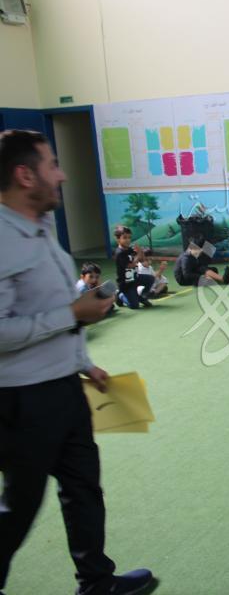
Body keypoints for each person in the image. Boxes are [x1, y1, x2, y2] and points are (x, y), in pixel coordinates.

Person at [0, 130, 153, 594]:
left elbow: (52, 303)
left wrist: (84, 362)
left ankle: (96, 582)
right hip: (20, 399)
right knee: (19, 506)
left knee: (84, 488)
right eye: (52, 164)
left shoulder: (41, 223)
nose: (63, 174)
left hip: (65, 386)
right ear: (25, 175)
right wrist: (72, 314)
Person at [113, 226, 154, 309]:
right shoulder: (119, 253)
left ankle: (142, 297)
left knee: (150, 279)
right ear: (118, 239)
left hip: (135, 278)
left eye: (129, 237)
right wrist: (138, 256)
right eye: (125, 238)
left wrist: (140, 251)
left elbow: (142, 260)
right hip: (126, 283)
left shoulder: (130, 249)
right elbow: (130, 266)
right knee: (134, 306)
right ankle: (120, 295)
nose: (128, 240)